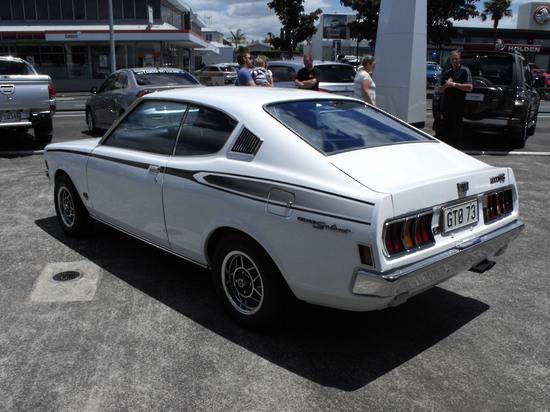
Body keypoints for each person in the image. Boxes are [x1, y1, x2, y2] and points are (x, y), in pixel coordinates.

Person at [437, 49, 473, 146]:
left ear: (460, 59)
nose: (454, 61)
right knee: (446, 132)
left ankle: (456, 149)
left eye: (456, 59)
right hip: (447, 106)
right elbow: (439, 90)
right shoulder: (447, 72)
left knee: (456, 131)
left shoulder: (465, 70)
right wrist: (446, 85)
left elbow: (469, 87)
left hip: (458, 106)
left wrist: (453, 84)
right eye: (452, 59)